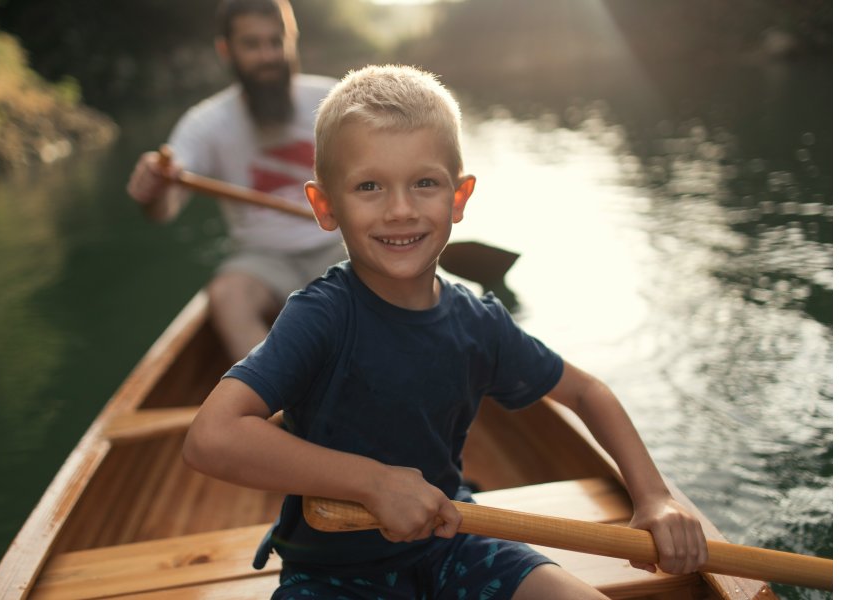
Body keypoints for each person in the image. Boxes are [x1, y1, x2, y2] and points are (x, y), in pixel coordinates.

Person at [182, 65, 709, 600]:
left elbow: (585, 391)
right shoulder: (322, 315)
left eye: (425, 183)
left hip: (454, 539)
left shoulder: (478, 320)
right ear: (325, 207)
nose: (401, 210)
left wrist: (655, 498)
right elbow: (212, 438)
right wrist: (373, 482)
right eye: (369, 186)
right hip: (333, 575)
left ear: (458, 198)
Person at [125, 0, 346, 361]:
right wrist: (154, 188)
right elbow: (164, 208)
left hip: (339, 243)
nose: (268, 55)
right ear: (226, 50)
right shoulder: (206, 122)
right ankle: (280, 403)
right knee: (227, 294)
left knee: (394, 267)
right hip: (263, 259)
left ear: (292, 40)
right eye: (252, 44)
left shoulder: (336, 100)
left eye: (276, 42)